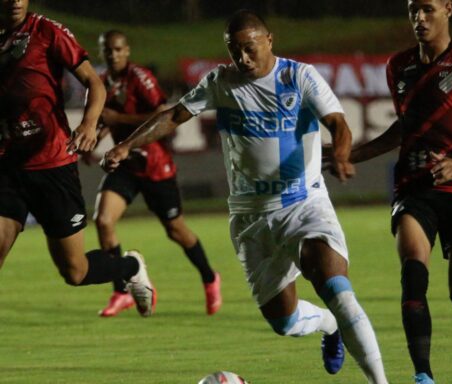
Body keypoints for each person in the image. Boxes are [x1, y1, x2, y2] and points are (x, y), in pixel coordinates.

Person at [103, 10, 389, 383]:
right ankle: (328, 324)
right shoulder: (221, 82)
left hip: (303, 204)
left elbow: (337, 122)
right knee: (284, 322)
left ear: (269, 40)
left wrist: (341, 152)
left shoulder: (298, 76)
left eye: (249, 48)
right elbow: (174, 116)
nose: (243, 59)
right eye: (234, 51)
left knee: (337, 288)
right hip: (251, 217)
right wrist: (126, 145)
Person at [346, 1, 452, 383]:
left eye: (428, 9)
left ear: (448, 9)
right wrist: (355, 154)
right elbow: (405, 128)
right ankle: (423, 376)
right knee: (413, 275)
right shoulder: (398, 66)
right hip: (415, 187)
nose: (419, 19)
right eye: (412, 10)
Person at [0, 0, 155, 317]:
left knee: (75, 271)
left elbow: (94, 82)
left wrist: (87, 124)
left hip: (52, 164)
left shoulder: (47, 31)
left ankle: (130, 265)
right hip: (7, 166)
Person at [89, 30, 221, 317]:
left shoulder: (140, 78)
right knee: (102, 220)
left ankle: (210, 277)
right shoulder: (103, 83)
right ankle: (121, 291)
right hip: (126, 165)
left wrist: (117, 120)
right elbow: (106, 120)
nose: (113, 54)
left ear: (127, 50)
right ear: (102, 53)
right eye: (107, 50)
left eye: (118, 49)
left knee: (177, 231)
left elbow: (162, 112)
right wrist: (95, 141)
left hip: (155, 165)